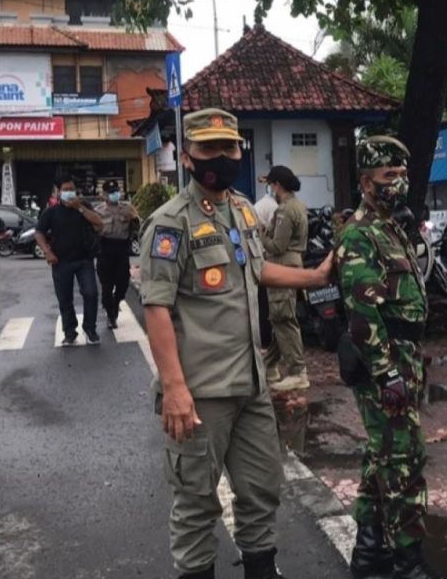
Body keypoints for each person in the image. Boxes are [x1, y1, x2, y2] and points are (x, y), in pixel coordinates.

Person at [140, 108, 333, 579]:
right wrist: (174, 388)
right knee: (196, 502)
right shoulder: (170, 223)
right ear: (187, 157)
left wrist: (315, 276)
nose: (222, 157)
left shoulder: (244, 208)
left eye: (229, 148)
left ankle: (262, 570)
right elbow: (157, 308)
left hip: (251, 384)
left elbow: (260, 269)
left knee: (261, 488)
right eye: (209, 149)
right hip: (201, 392)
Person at [336, 136, 434, 579]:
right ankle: (408, 561)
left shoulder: (390, 225)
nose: (398, 183)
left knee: (383, 455)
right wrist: (387, 372)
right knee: (404, 461)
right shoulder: (360, 234)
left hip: (405, 355)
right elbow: (362, 311)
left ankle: (370, 553)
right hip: (386, 359)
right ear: (366, 181)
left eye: (401, 175)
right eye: (388, 176)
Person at [35, 175, 105, 345]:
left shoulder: (83, 207)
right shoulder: (51, 212)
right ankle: (69, 332)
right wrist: (47, 251)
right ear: (58, 192)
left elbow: (99, 223)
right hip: (60, 261)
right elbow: (39, 233)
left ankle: (90, 328)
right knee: (65, 299)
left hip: (84, 260)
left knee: (91, 293)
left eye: (71, 189)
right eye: (65, 190)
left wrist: (79, 207)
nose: (69, 192)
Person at [260, 165, 311, 392]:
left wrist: (259, 235)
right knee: (278, 319)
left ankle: (297, 372)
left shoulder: (285, 211)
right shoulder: (298, 206)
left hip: (282, 265)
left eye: (271, 184)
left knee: (284, 319)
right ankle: (269, 366)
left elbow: (277, 245)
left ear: (277, 185)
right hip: (294, 265)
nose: (270, 188)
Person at [94, 180, 139, 329]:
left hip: (121, 249)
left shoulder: (127, 209)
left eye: (116, 191)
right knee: (106, 285)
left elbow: (138, 224)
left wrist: (135, 221)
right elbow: (92, 230)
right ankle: (111, 315)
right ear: (105, 194)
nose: (115, 194)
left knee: (123, 283)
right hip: (105, 249)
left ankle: (116, 302)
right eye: (111, 192)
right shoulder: (98, 211)